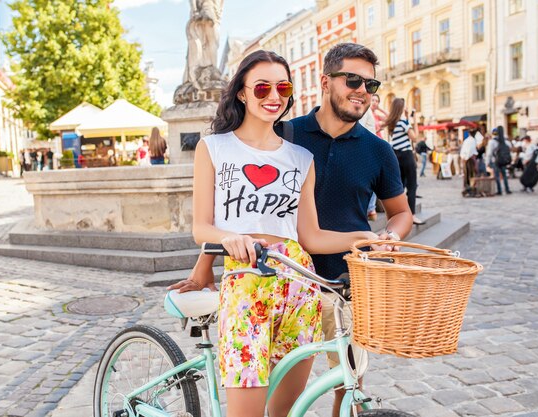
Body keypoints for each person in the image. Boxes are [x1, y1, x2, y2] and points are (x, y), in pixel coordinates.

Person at [170, 43, 413, 417]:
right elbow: (206, 224)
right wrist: (214, 254)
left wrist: (369, 238)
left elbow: (310, 235)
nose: (273, 96)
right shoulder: (219, 147)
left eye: (282, 88)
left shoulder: (302, 156)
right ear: (242, 92)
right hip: (248, 281)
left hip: (304, 283)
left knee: (308, 401)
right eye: (262, 87)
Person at [383, 98, 423, 225]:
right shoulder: (404, 123)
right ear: (401, 108)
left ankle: (398, 213)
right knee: (412, 186)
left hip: (396, 156)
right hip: (406, 155)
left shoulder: (392, 123)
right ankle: (412, 215)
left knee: (400, 185)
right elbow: (415, 138)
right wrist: (414, 119)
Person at [486, 126, 512, 195]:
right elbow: (510, 147)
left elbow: (489, 153)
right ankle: (507, 189)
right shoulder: (505, 141)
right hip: (503, 160)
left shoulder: (492, 142)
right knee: (504, 175)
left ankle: (499, 190)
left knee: (497, 176)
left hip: (496, 161)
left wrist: (487, 162)